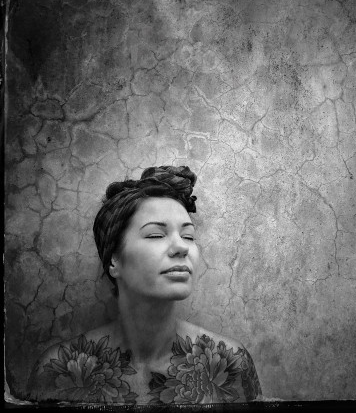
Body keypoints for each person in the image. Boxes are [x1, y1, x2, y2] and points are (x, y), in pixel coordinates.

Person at [27, 166, 262, 405]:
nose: (182, 247)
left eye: (188, 236)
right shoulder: (58, 370)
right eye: (155, 235)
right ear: (114, 260)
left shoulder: (230, 364)